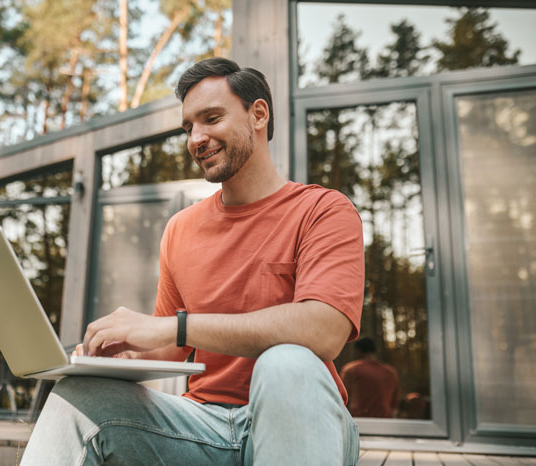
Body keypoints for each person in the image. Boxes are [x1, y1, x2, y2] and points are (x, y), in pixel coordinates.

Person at [21, 57, 365, 466]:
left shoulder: (322, 209)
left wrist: (174, 325)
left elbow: (324, 331)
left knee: (286, 361)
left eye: (211, 118)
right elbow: (170, 349)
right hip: (204, 428)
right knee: (79, 398)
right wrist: (122, 355)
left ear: (258, 114)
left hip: (305, 425)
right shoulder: (181, 229)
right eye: (188, 127)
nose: (195, 138)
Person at [341, 337, 400, 418]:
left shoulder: (351, 369)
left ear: (358, 351)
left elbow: (341, 398)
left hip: (359, 421)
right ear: (375, 351)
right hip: (385, 422)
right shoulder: (391, 372)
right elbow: (395, 405)